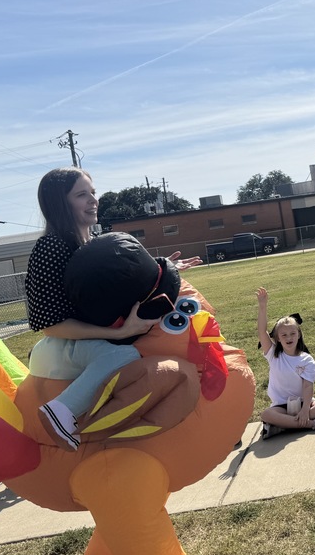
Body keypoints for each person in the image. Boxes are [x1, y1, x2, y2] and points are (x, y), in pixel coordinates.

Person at [25, 168, 202, 451]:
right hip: (62, 346)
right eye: (82, 195)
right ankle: (62, 411)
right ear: (61, 202)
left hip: (88, 343)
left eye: (93, 192)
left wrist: (160, 271)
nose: (93, 200)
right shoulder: (52, 248)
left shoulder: (91, 243)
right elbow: (51, 324)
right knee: (123, 354)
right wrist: (118, 333)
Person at [256, 287, 315, 438]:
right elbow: (261, 332)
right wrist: (262, 306)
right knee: (266, 414)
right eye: (284, 335)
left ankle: (283, 426)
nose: (288, 337)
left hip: (303, 404)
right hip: (281, 406)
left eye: (292, 333)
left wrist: (305, 409)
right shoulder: (273, 354)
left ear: (299, 334)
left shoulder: (306, 359)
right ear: (278, 338)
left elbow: (307, 386)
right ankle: (312, 424)